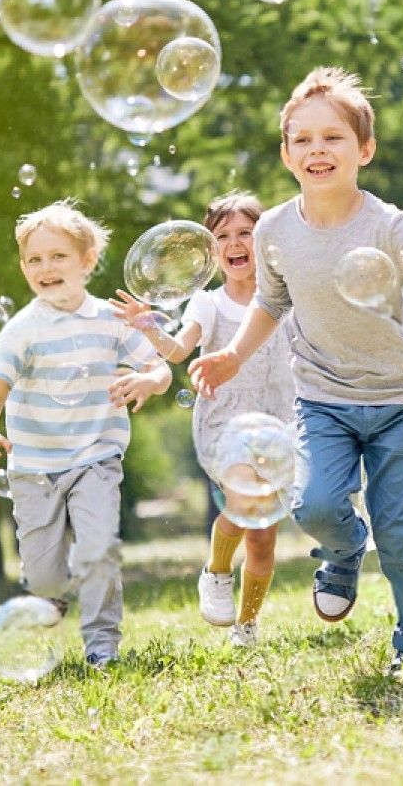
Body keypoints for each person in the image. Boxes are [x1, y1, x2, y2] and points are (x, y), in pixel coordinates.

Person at [189, 66, 403, 674]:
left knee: (402, 533)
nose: (319, 149)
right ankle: (343, 550)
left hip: (398, 398)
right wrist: (233, 355)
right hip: (322, 397)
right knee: (313, 505)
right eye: (304, 139)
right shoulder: (274, 230)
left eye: (333, 137)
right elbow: (270, 301)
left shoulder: (386, 224)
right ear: (287, 154)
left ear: (363, 148)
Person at [0, 200, 173, 669]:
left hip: (95, 458)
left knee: (98, 550)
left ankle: (101, 646)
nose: (46, 268)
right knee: (42, 579)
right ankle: (54, 593)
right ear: (23, 267)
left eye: (58, 256)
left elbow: (158, 366)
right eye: (34, 260)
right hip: (34, 468)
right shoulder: (21, 331)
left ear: (87, 261)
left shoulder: (111, 320)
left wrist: (149, 380)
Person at [109, 191, 296, 649]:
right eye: (223, 236)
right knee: (242, 503)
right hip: (225, 424)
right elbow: (178, 350)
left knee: (263, 539)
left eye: (245, 234)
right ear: (212, 251)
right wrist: (149, 327)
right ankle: (216, 572)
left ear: (264, 240)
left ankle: (247, 625)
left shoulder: (288, 295)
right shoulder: (207, 305)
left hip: (281, 424)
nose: (235, 244)